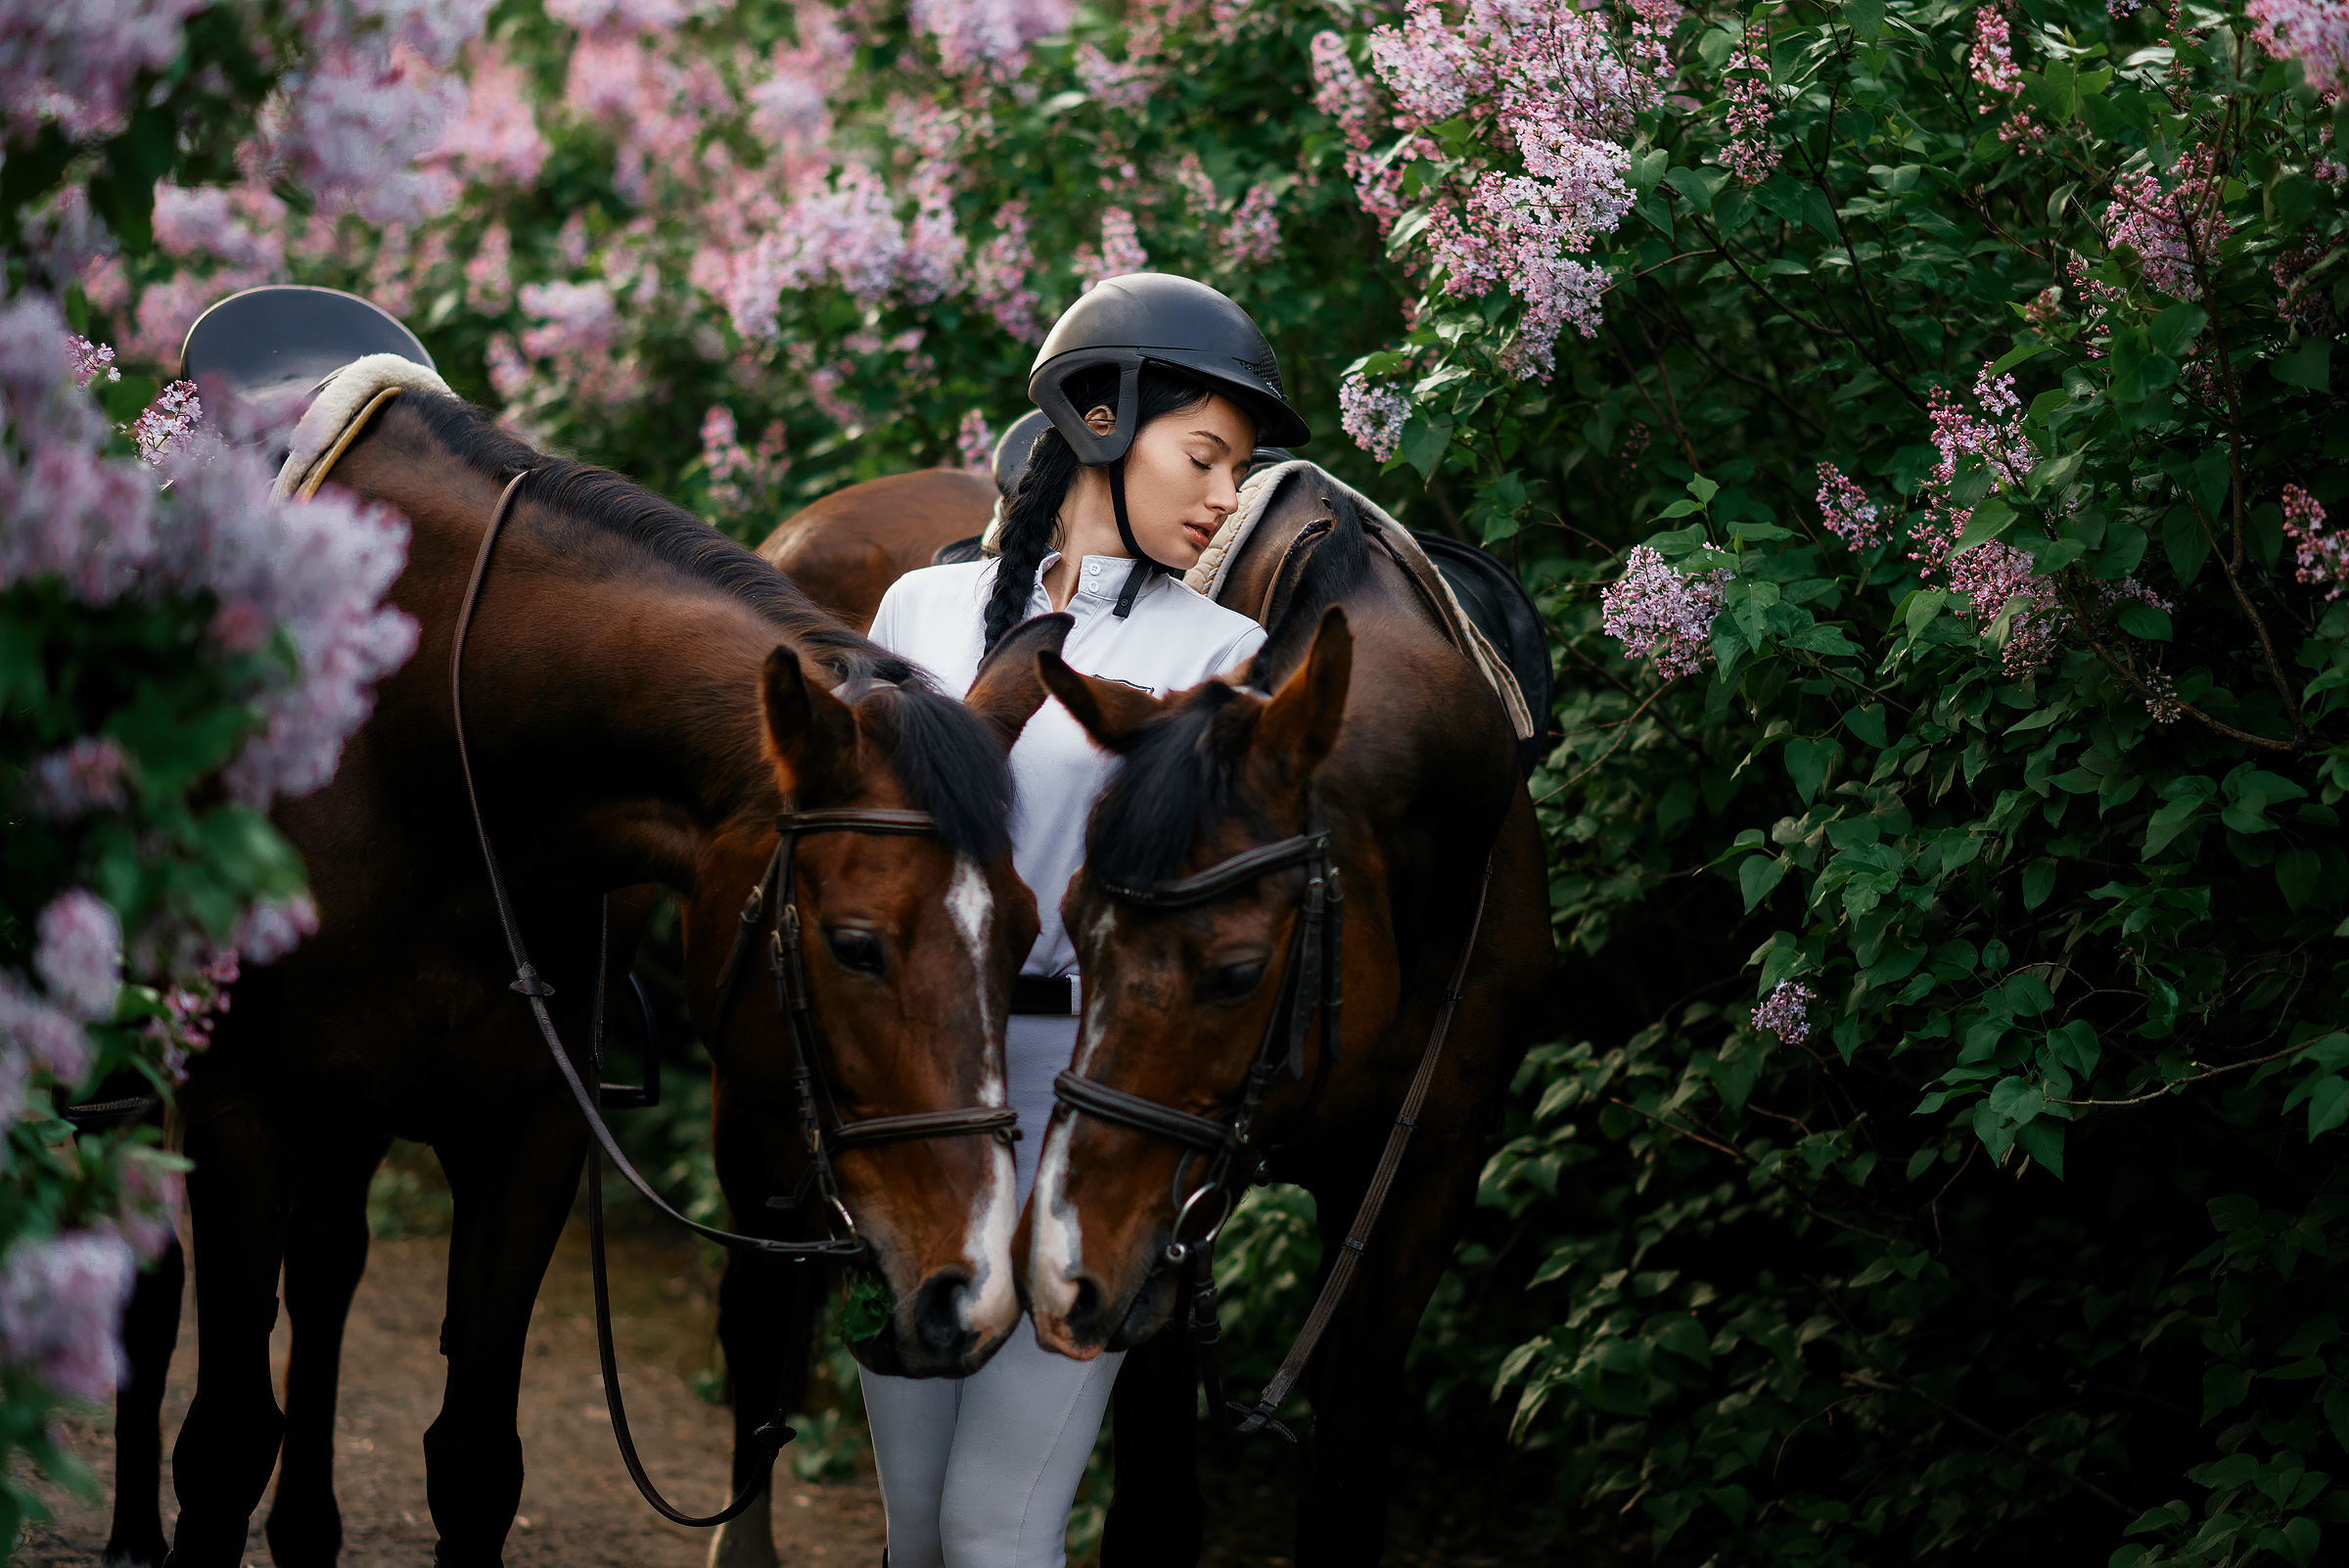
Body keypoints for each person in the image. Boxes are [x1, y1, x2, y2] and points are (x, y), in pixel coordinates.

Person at [857, 272, 1313, 1568]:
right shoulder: (917, 612)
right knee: (912, 1530)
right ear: (1100, 419)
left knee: (998, 1528)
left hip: (1087, 1099)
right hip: (917, 1091)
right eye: (1205, 458)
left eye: (1240, 472)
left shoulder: (1226, 657)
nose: (1226, 499)